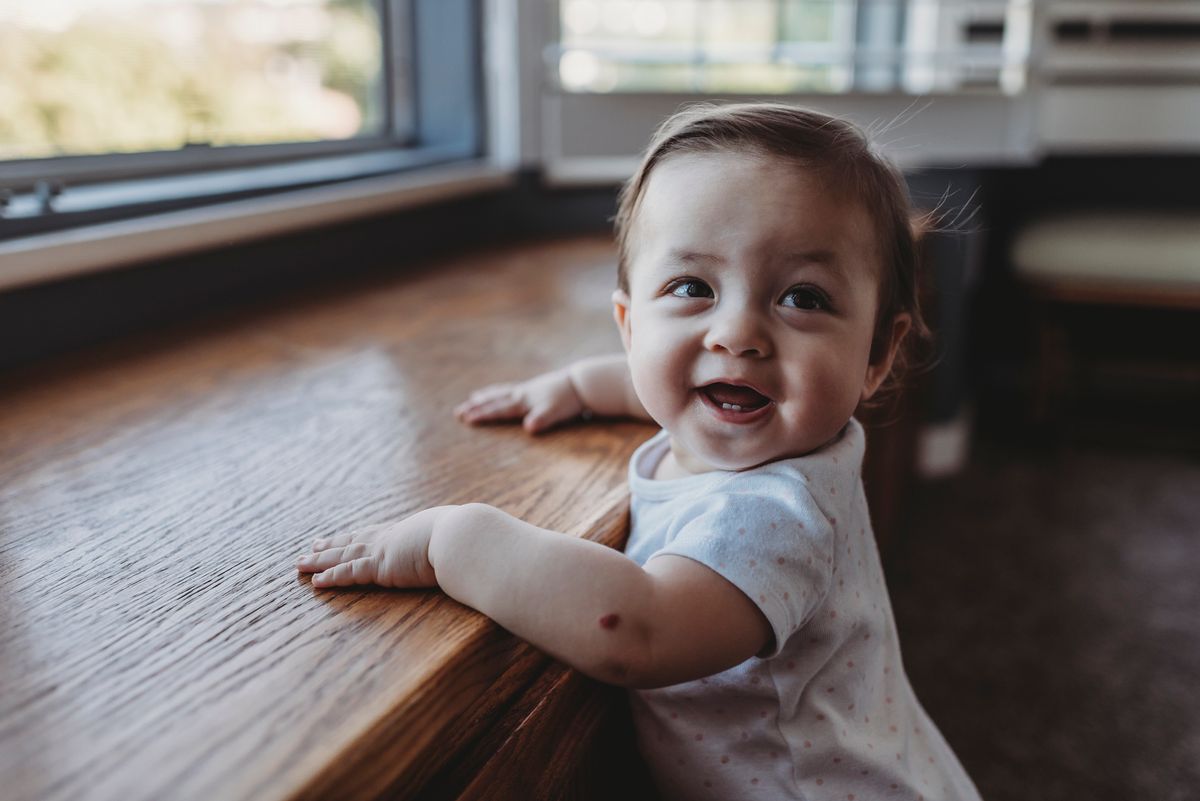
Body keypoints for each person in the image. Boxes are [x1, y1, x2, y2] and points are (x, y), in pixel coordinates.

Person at [296, 102, 981, 800]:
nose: (736, 334)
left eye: (802, 298)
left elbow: (631, 629)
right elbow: (681, 380)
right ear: (629, 324)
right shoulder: (785, 430)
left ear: (876, 353)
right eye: (693, 288)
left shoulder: (779, 514)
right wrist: (577, 385)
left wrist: (452, 538)